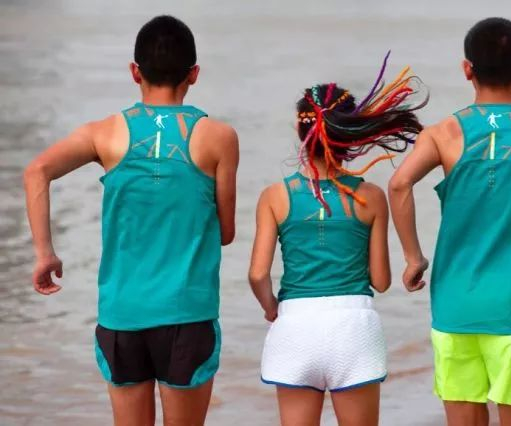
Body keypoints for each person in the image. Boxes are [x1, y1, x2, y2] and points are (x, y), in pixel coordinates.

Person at [23, 15, 239, 426]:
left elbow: (37, 171)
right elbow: (226, 233)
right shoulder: (219, 137)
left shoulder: (103, 132)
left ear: (134, 71)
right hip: (186, 314)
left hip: (122, 315)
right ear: (194, 74)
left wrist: (44, 253)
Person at [389, 17, 511, 426]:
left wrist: (414, 257)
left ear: (467, 69)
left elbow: (399, 184)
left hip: (454, 307)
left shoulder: (442, 133)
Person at [248, 56, 427, 426]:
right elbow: (380, 281)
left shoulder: (274, 196)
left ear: (301, 131)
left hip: (295, 327)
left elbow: (258, 274)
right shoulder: (370, 196)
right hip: (353, 330)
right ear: (351, 134)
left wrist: (271, 308)